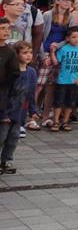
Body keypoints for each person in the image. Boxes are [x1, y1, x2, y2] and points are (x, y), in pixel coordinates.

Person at [1, 42, 34, 174]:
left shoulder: (31, 72)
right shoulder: (12, 72)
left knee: (14, 138)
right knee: (1, 137)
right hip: (6, 110)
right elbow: (5, 93)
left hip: (20, 111)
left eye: (30, 52)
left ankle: (6, 160)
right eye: (25, 53)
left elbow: (31, 93)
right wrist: (3, 113)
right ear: (16, 55)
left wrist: (33, 111)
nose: (28, 55)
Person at [51, 27, 78, 132]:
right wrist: (52, 52)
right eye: (73, 37)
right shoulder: (64, 49)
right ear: (67, 38)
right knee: (58, 102)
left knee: (70, 102)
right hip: (62, 80)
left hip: (75, 81)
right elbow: (56, 62)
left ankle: (65, 121)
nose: (76, 39)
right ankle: (56, 121)